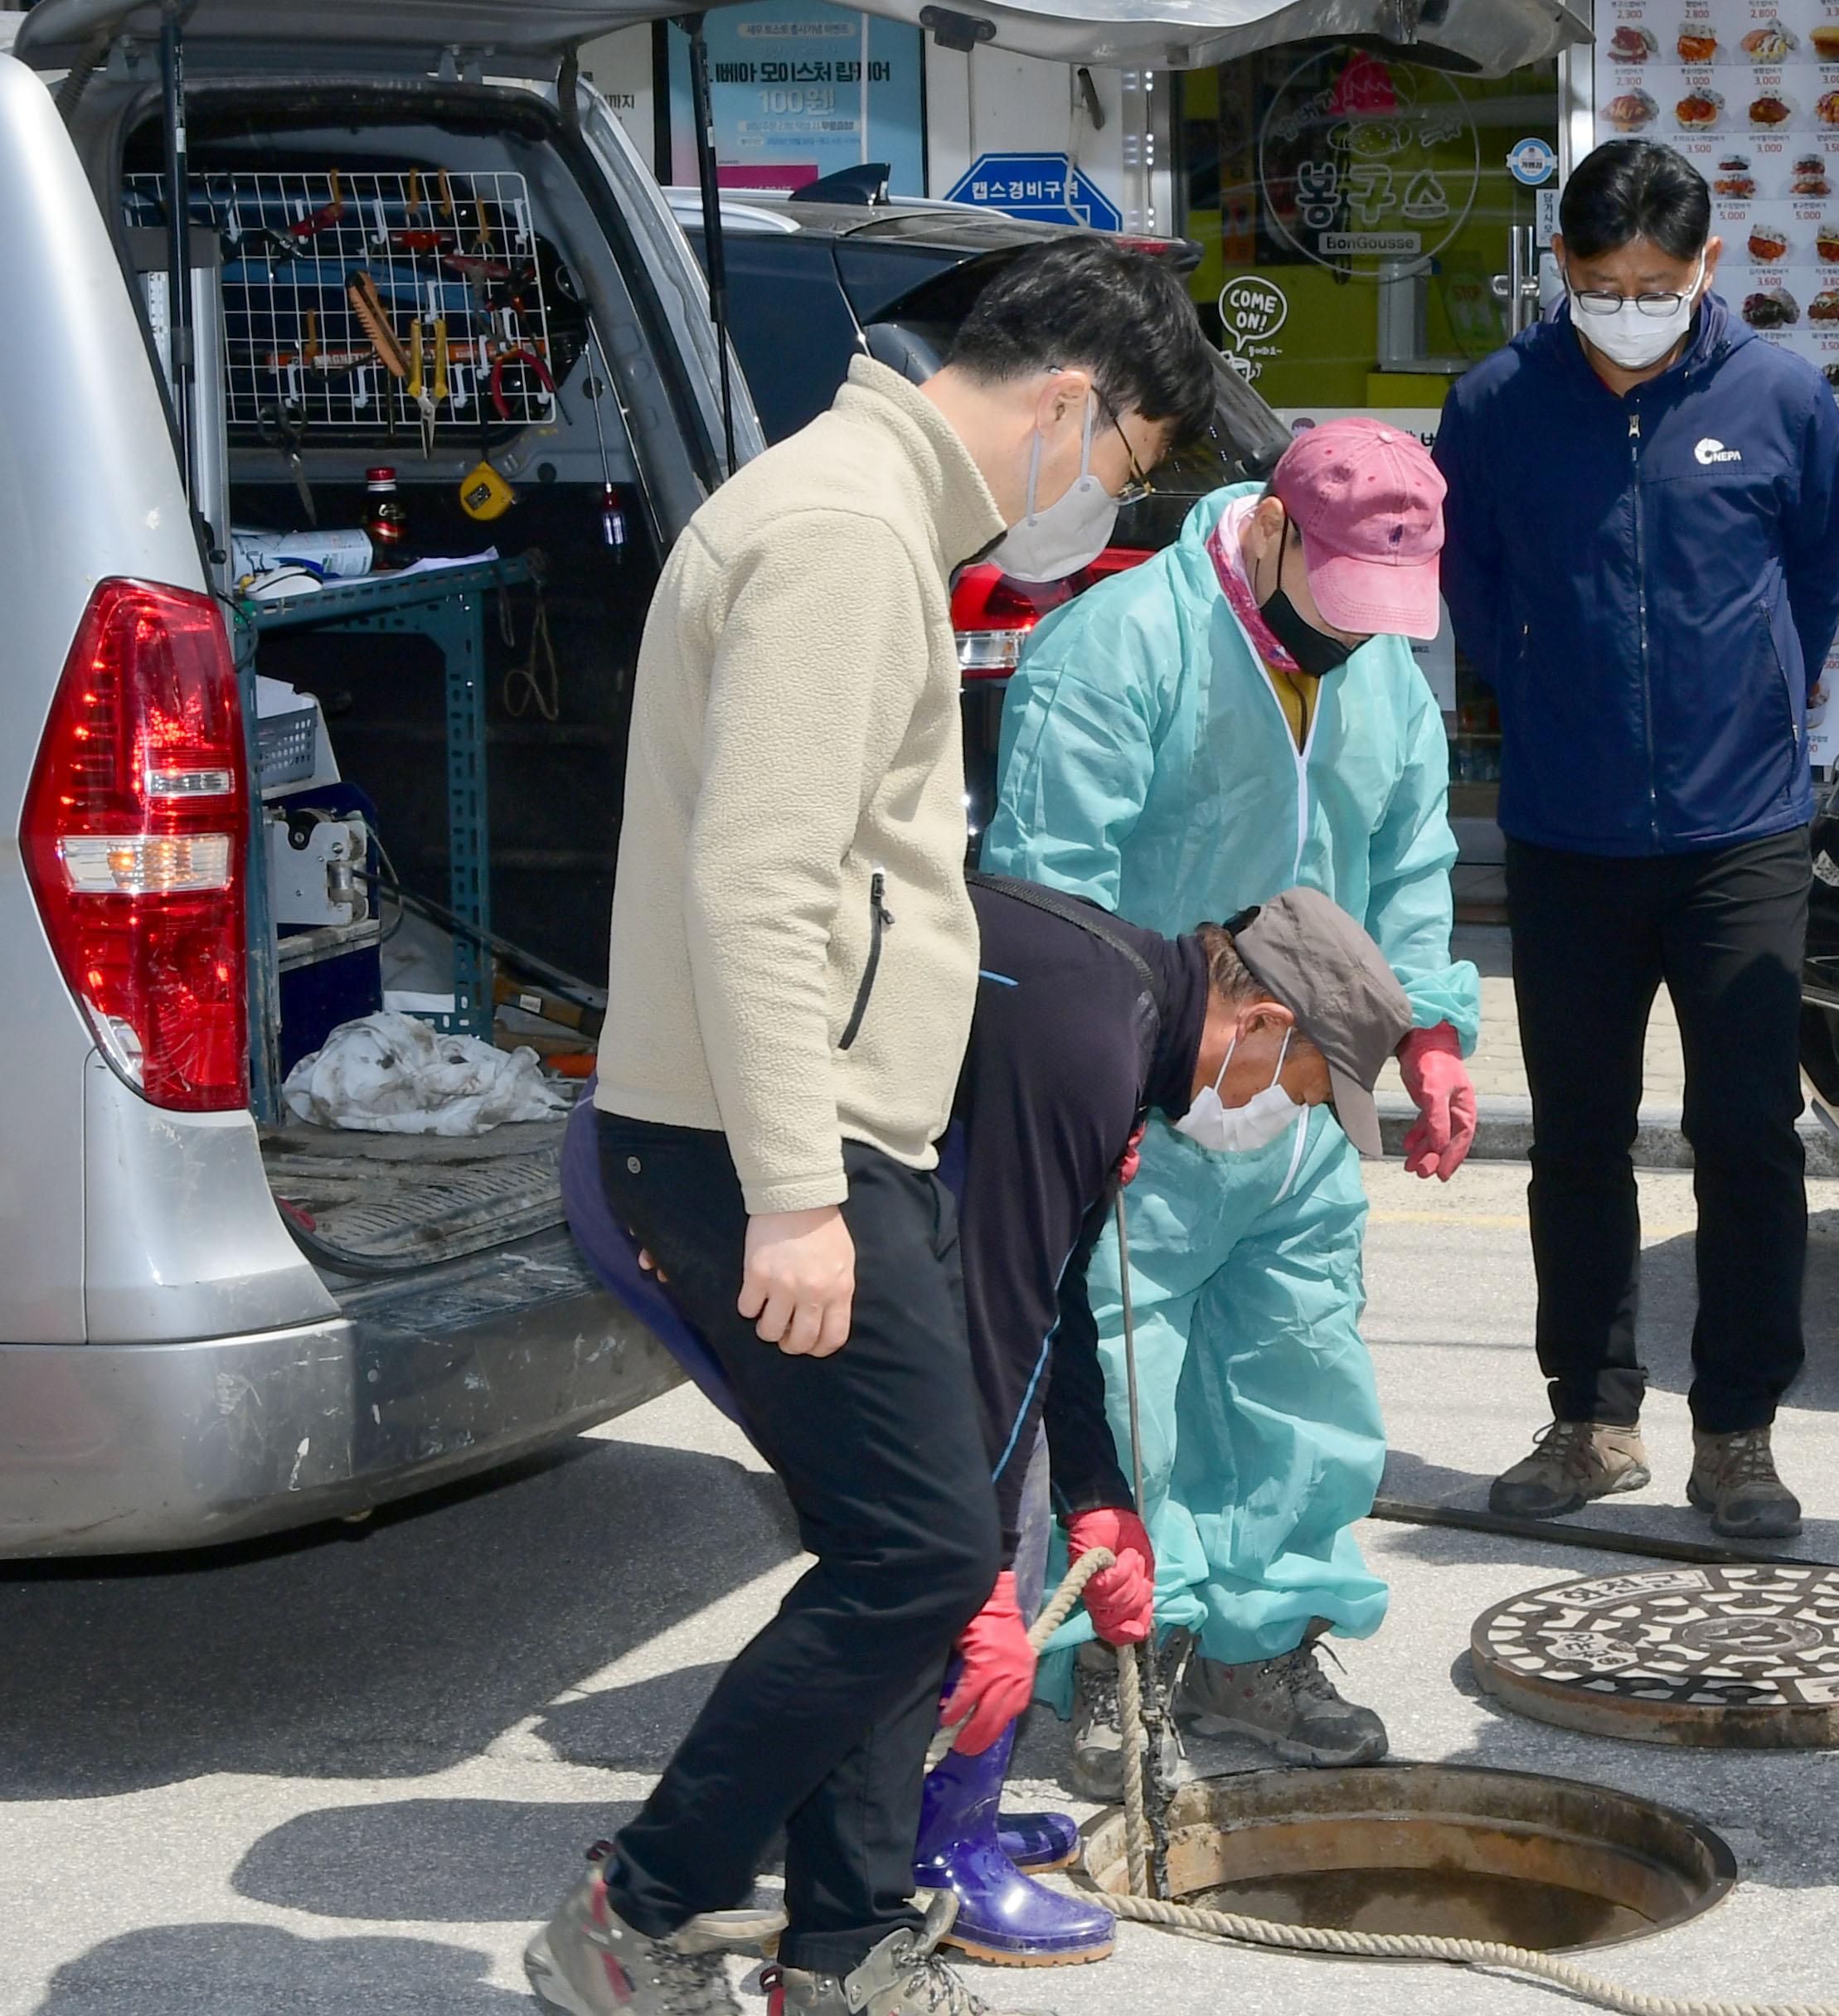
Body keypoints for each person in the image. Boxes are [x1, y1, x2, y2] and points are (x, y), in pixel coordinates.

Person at [526, 236, 1213, 2016]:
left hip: (818, 1134)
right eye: (1126, 471)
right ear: (1072, 408)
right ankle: (642, 1899)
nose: (1102, 512)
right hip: (776, 1145)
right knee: (923, 1549)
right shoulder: (844, 536)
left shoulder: (857, 513)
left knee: (901, 1555)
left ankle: (843, 1952)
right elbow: (760, 888)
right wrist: (797, 1193)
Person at [554, 884, 1409, 1972]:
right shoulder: (1094, 1041)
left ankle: (849, 1925)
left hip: (776, 1184)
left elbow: (1055, 1294)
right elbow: (997, 1317)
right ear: (1266, 1023)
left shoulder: (1122, 1023)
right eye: (1303, 1091)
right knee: (913, 1552)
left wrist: (1101, 1502)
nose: (1286, 1117)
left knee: (917, 1550)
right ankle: (671, 1902)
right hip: (718, 1186)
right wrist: (990, 1592)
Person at [981, 417, 1477, 1789]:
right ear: (1268, 533)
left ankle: (1261, 1645)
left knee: (1300, 1375)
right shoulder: (1117, 651)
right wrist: (1078, 1094)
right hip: (1146, 1089)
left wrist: (1429, 1036)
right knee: (1123, 1396)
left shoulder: (1379, 673)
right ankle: (1111, 1661)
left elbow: (1413, 856)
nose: (1359, 637)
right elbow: (1043, 893)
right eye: (1338, 600)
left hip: (1303, 1104)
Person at [1435, 138, 1839, 1539]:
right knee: (1578, 1139)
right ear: (1562, 269)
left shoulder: (1783, 397)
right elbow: (1474, 585)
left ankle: (1738, 1430)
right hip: (1566, 829)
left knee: (1748, 1135)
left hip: (1743, 832)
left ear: (1707, 269)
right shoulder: (1496, 404)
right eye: (1606, 281)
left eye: (1659, 282)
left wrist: (1747, 691)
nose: (1633, 304)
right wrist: (1546, 683)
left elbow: (1813, 571)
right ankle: (1591, 1415)